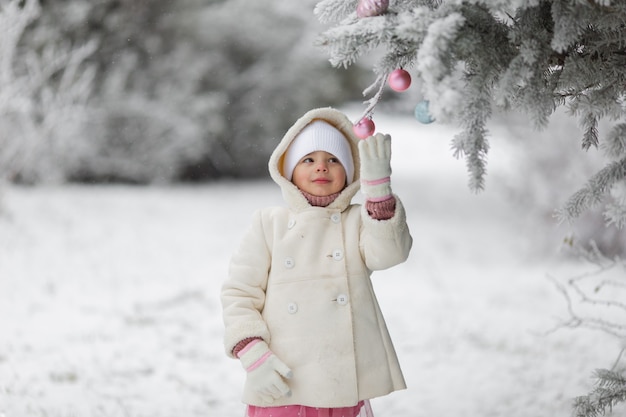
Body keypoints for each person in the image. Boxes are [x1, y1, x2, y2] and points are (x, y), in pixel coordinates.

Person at [221, 107, 413, 417]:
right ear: (289, 169)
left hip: (342, 381)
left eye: (333, 160)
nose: (321, 167)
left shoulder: (358, 221)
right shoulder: (269, 223)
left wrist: (378, 192)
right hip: (281, 378)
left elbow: (390, 253)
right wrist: (253, 355)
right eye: (308, 159)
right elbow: (240, 293)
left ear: (351, 171)